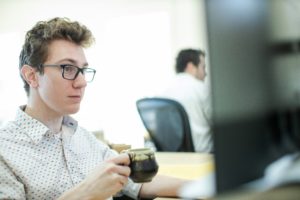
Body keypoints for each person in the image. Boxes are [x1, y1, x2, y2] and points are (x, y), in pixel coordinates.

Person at [0, 17, 189, 200]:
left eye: (83, 70)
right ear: (31, 76)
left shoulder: (84, 138)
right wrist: (86, 192)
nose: (82, 82)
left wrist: (202, 185)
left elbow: (137, 183)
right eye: (68, 68)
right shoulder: (5, 151)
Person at [160, 49, 213, 153]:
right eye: (203, 67)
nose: (205, 73)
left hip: (176, 159)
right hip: (203, 158)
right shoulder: (202, 89)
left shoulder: (163, 92)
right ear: (190, 66)